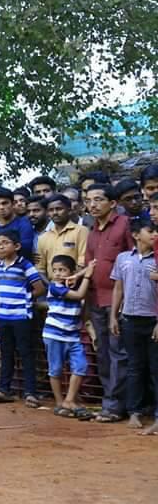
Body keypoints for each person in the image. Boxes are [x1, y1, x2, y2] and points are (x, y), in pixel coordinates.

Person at [83, 183, 134, 423]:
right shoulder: (92, 231)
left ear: (112, 203)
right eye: (88, 200)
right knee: (103, 353)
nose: (92, 204)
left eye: (98, 199)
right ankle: (109, 402)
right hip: (96, 299)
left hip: (119, 301)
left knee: (118, 354)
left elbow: (135, 260)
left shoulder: (125, 225)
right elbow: (89, 266)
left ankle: (116, 405)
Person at [0, 230, 46, 407]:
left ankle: (30, 392)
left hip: (21, 316)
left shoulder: (24, 265)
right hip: (4, 315)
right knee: (6, 352)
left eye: (5, 242)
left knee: (26, 353)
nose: (1, 246)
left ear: (17, 246)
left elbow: (40, 288)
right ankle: (4, 389)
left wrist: (24, 298)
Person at [110, 219, 157, 430]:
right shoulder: (123, 259)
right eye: (151, 231)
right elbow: (118, 288)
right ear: (136, 235)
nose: (154, 234)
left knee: (155, 369)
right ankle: (134, 412)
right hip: (129, 318)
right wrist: (113, 315)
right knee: (134, 367)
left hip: (153, 320)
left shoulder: (157, 259)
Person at [44, 254, 94, 419]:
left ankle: (69, 399)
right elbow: (79, 296)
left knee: (80, 366)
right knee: (55, 369)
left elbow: (83, 310)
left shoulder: (76, 287)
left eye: (62, 270)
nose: (58, 273)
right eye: (55, 270)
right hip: (54, 335)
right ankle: (60, 402)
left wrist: (82, 277)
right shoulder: (54, 287)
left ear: (72, 272)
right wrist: (87, 276)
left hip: (72, 336)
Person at [0, 186, 37, 265]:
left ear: (12, 204)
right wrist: (8, 258)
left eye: (5, 203)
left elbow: (23, 255)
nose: (1, 207)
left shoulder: (24, 224)